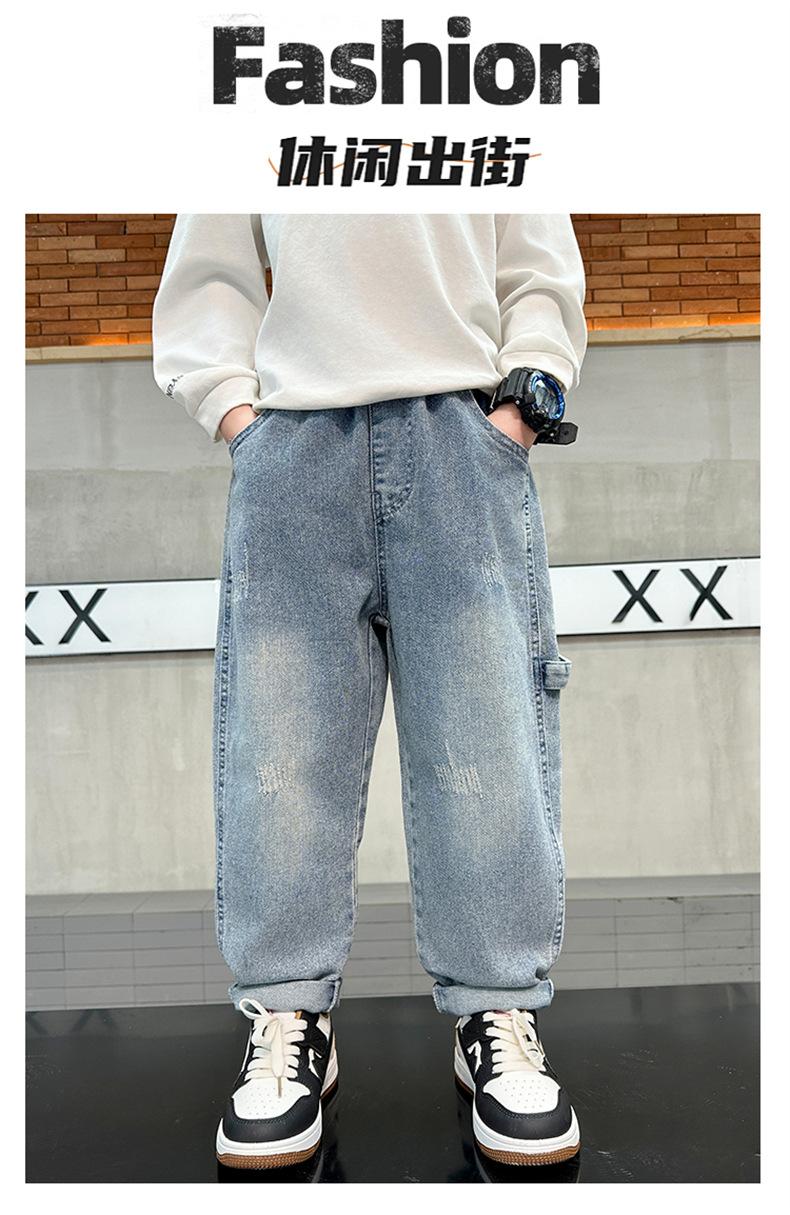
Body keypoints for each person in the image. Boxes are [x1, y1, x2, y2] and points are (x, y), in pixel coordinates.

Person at [152, 213, 587, 1170]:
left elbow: (539, 264)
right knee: (281, 750)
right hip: (295, 444)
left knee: (485, 741)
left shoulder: (493, 108)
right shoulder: (250, 109)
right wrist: (237, 415)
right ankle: (287, 1014)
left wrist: (522, 406)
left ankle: (496, 1011)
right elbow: (209, 268)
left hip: (462, 436)